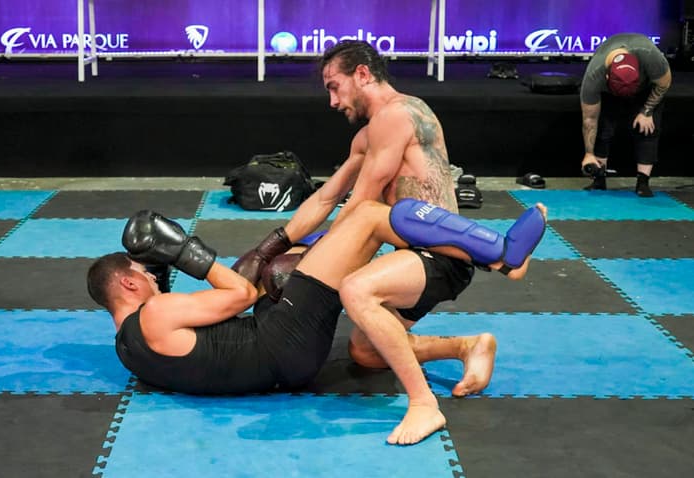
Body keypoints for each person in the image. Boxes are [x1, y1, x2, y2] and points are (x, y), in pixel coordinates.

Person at [230, 41, 520, 443]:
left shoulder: (399, 115)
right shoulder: (367, 137)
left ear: (363, 74)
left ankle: (424, 406)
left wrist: (313, 259)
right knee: (365, 352)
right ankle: (467, 346)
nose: (332, 101)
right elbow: (326, 198)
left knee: (357, 289)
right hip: (412, 256)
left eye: (335, 86)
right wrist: (272, 245)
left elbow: (363, 204)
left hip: (441, 256)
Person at [87, 199, 546, 445]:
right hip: (279, 340)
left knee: (360, 335)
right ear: (128, 285)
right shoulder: (155, 314)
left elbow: (227, 328)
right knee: (367, 216)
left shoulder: (129, 351)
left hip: (276, 359)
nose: (158, 277)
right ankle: (504, 257)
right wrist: (188, 253)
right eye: (148, 273)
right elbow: (241, 295)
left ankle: (467, 346)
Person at [579, 33, 671, 197]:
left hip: (646, 90)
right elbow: (589, 119)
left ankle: (643, 183)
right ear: (607, 76)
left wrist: (647, 111)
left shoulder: (650, 57)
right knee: (603, 128)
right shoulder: (594, 76)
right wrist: (589, 153)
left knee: (648, 128)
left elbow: (664, 82)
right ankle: (599, 180)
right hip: (609, 91)